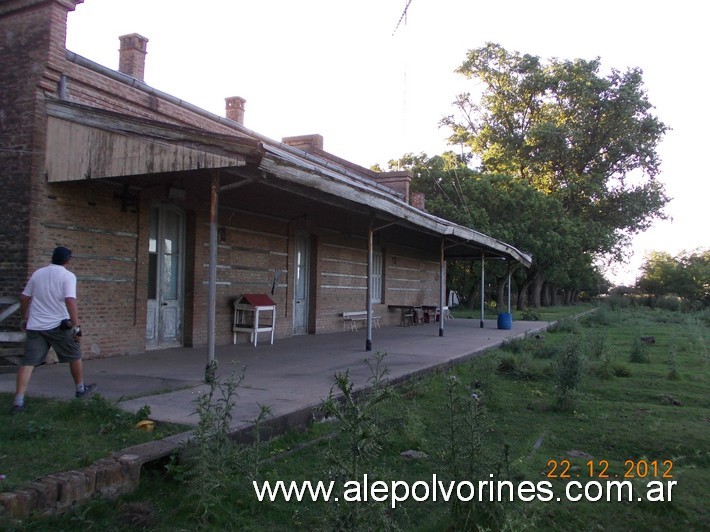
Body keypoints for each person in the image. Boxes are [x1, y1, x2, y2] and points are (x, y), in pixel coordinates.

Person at [11, 246, 96, 414]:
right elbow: (70, 301)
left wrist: (24, 318)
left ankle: (18, 402)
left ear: (53, 258)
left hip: (36, 327)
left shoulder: (38, 273)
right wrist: (77, 328)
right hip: (59, 326)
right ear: (68, 260)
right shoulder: (68, 276)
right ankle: (80, 389)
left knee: (28, 363)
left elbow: (24, 297)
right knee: (75, 355)